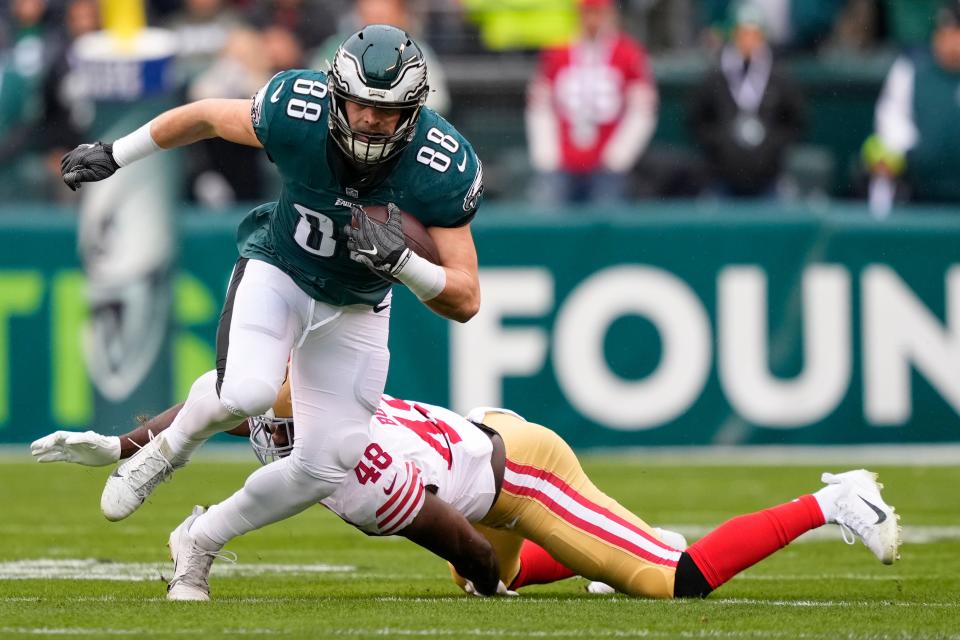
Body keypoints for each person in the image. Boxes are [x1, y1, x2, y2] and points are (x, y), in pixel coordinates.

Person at [58, 25, 484, 574]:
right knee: (248, 392)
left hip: (356, 305)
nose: (372, 120)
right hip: (281, 268)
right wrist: (117, 153)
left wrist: (406, 264)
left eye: (388, 110)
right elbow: (208, 115)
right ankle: (166, 451)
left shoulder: (441, 163)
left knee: (327, 465)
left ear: (415, 110)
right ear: (336, 93)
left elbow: (466, 297)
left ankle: (200, 538)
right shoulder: (296, 109)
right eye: (359, 104)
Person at [32, 374, 902, 601]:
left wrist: (490, 586)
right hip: (474, 452)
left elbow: (470, 545)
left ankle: (835, 499)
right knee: (522, 572)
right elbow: (202, 404)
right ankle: (612, 546)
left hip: (520, 474)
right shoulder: (281, 385)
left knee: (675, 582)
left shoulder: (354, 460)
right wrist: (119, 445)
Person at [526, 0, 657, 206]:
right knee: (546, 213)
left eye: (599, 13)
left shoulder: (629, 54)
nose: (593, 20)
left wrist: (619, 156)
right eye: (588, 13)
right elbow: (540, 107)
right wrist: (547, 156)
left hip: (607, 166)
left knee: (607, 217)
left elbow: (642, 110)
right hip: (562, 163)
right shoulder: (556, 53)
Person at [687, 3, 806, 197]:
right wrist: (722, 143)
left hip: (769, 180)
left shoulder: (779, 79)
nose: (748, 41)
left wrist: (771, 146)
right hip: (722, 180)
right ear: (733, 35)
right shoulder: (715, 79)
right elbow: (697, 122)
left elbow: (795, 123)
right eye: (743, 34)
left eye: (754, 35)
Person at [863, 0, 960, 209]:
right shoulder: (910, 70)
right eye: (944, 31)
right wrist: (916, 154)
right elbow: (890, 124)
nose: (949, 40)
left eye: (955, 32)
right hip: (921, 195)